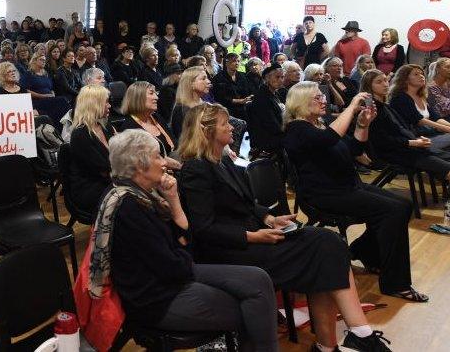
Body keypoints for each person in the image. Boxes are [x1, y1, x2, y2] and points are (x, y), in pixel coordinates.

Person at [177, 102, 394, 352]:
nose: (232, 128)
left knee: (328, 243)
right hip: (232, 250)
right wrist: (255, 236)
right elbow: (204, 228)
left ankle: (340, 341)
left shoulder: (221, 161)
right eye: (225, 124)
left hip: (252, 236)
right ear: (207, 131)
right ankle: (356, 336)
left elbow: (243, 204)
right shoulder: (197, 168)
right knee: (324, 248)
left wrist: (268, 218)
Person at [99, 130, 278, 352]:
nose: (165, 162)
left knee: (258, 279)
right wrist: (183, 251)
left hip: (175, 276)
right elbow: (173, 264)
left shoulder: (146, 196)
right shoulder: (129, 207)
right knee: (253, 306)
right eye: (157, 156)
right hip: (157, 298)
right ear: (139, 165)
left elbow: (183, 243)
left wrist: (173, 200)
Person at [285, 81, 424, 302]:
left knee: (403, 206)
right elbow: (329, 139)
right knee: (392, 211)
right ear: (301, 102)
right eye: (317, 97)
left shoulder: (322, 124)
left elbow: (355, 149)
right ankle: (395, 283)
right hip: (325, 194)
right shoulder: (296, 129)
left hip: (348, 186)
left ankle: (363, 251)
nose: (323, 100)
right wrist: (351, 107)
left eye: (323, 96)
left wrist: (363, 123)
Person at [363, 69, 450, 183]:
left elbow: (402, 129)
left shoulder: (384, 106)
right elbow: (381, 140)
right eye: (379, 82)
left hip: (409, 146)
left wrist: (416, 140)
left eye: (385, 80)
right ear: (368, 86)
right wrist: (413, 142)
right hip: (394, 153)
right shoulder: (372, 109)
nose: (385, 84)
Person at [67, 84, 113, 218]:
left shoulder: (104, 126)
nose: (109, 105)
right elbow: (103, 170)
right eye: (106, 102)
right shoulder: (80, 134)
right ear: (94, 104)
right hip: (89, 188)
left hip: (107, 180)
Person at [113, 81, 181, 171]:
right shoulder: (129, 127)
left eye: (155, 93)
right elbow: (145, 162)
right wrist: (181, 167)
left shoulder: (156, 117)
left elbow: (174, 144)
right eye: (151, 93)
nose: (156, 97)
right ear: (138, 97)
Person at [389, 64, 450, 137]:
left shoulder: (421, 96)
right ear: (405, 79)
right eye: (416, 74)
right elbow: (418, 120)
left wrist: (448, 126)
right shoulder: (400, 97)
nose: (421, 76)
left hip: (426, 133)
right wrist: (444, 128)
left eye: (422, 74)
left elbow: (435, 117)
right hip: (412, 137)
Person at [245, 65, 286, 160]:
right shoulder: (262, 97)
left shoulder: (276, 93)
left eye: (282, 77)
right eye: (277, 77)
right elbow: (271, 125)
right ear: (267, 78)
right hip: (268, 138)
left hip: (276, 132)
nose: (280, 80)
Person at [170, 67, 212, 140]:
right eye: (203, 79)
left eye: (207, 78)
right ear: (191, 83)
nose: (208, 81)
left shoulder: (206, 105)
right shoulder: (181, 110)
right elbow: (184, 140)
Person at [212, 52, 252, 120]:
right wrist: (239, 101)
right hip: (227, 109)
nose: (237, 63)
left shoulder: (243, 76)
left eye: (238, 61)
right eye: (234, 61)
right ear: (227, 63)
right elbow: (220, 97)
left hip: (244, 108)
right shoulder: (218, 78)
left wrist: (249, 97)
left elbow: (248, 91)